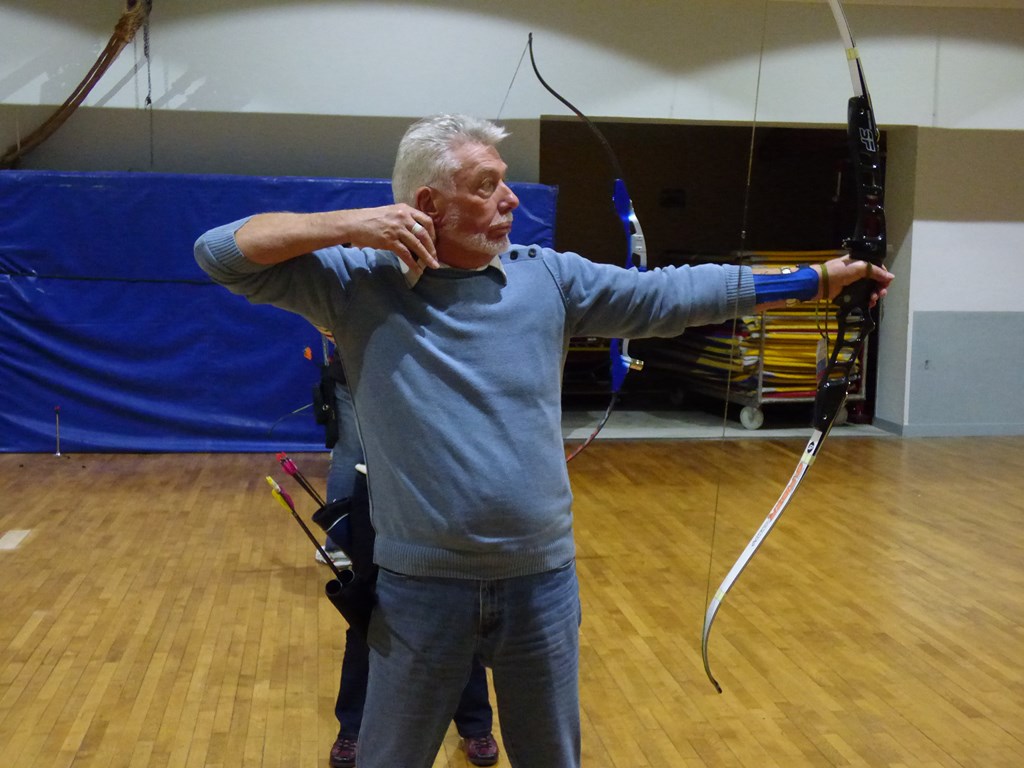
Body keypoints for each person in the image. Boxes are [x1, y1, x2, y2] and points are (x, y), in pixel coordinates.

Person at [195, 113, 893, 768]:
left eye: (505, 182)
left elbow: (671, 296)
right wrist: (350, 224)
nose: (510, 200)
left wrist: (815, 280)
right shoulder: (355, 284)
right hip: (420, 588)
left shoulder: (547, 277)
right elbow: (220, 253)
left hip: (541, 584)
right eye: (486, 186)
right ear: (428, 204)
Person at [317, 354, 500, 767]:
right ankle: (352, 728)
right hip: (379, 492)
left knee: (463, 603)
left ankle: (475, 724)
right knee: (367, 612)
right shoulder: (371, 340)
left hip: (449, 491)